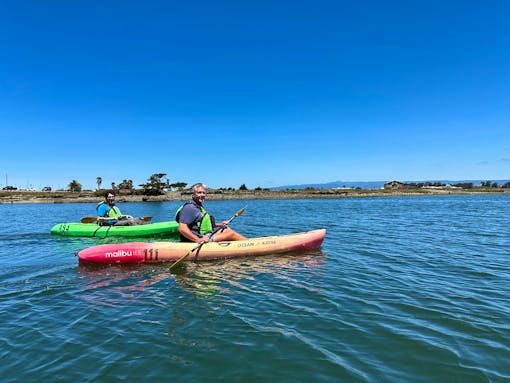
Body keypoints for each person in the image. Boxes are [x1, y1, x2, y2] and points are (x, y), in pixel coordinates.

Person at [176, 183, 247, 242]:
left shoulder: (198, 206)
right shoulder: (190, 208)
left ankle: (242, 244)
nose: (202, 195)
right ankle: (250, 244)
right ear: (193, 195)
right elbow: (182, 228)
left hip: (203, 235)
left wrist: (219, 224)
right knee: (231, 234)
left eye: (204, 193)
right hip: (198, 239)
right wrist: (198, 240)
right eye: (199, 192)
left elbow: (200, 225)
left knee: (226, 229)